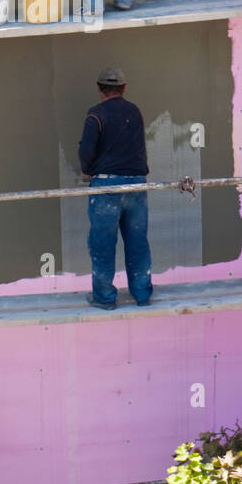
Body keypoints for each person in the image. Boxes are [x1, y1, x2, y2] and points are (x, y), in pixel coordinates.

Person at [78, 67, 153, 310]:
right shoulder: (135, 111)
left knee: (102, 243)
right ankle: (142, 294)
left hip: (106, 187)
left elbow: (87, 149)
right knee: (137, 240)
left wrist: (86, 170)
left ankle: (105, 298)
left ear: (99, 89)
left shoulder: (96, 114)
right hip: (135, 184)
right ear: (124, 88)